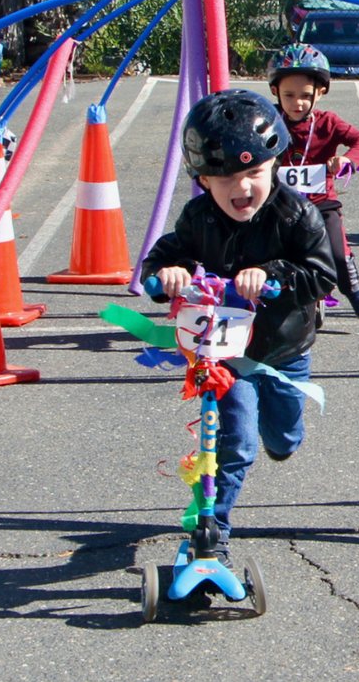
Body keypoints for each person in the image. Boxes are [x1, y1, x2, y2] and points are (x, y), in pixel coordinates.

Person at [141, 89, 336, 567]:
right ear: (204, 179)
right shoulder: (198, 216)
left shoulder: (297, 214)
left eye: (253, 173)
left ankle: (282, 441)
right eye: (225, 177)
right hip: (225, 356)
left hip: (285, 349)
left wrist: (274, 273)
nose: (241, 188)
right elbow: (163, 259)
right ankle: (212, 533)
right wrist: (169, 275)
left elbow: (322, 275)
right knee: (233, 443)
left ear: (274, 164)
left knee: (283, 436)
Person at [266, 43, 359, 321]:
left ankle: (353, 287)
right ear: (275, 92)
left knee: (338, 253)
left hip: (321, 202)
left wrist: (347, 160)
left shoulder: (327, 122)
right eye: (289, 95)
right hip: (277, 203)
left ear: (321, 92)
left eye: (305, 95)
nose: (297, 103)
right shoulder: (268, 120)